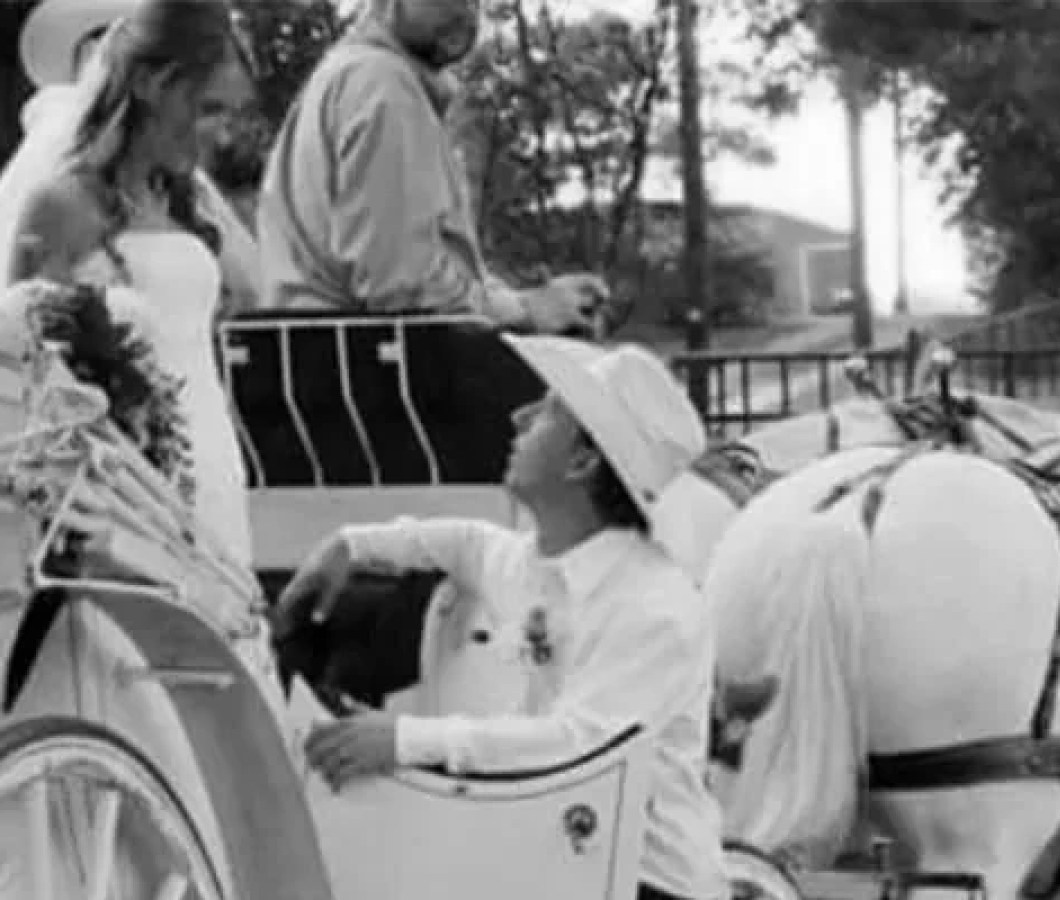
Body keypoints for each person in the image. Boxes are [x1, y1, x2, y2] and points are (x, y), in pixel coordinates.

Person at [274, 334, 727, 900]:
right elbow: (464, 544)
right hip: (554, 852)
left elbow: (579, 744)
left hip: (644, 880)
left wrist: (405, 739)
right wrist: (350, 544)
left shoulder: (654, 608)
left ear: (583, 461)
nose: (519, 416)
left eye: (547, 412)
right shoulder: (536, 560)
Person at [256, 0, 610, 334]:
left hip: (334, 361)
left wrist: (532, 301)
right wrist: (526, 311)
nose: (464, 10)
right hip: (364, 376)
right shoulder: (383, 86)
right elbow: (401, 287)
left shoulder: (348, 74)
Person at [16, 0, 262, 315]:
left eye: (230, 114)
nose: (224, 138)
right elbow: (24, 353)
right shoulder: (59, 205)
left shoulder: (182, 203)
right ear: (148, 84)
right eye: (207, 109)